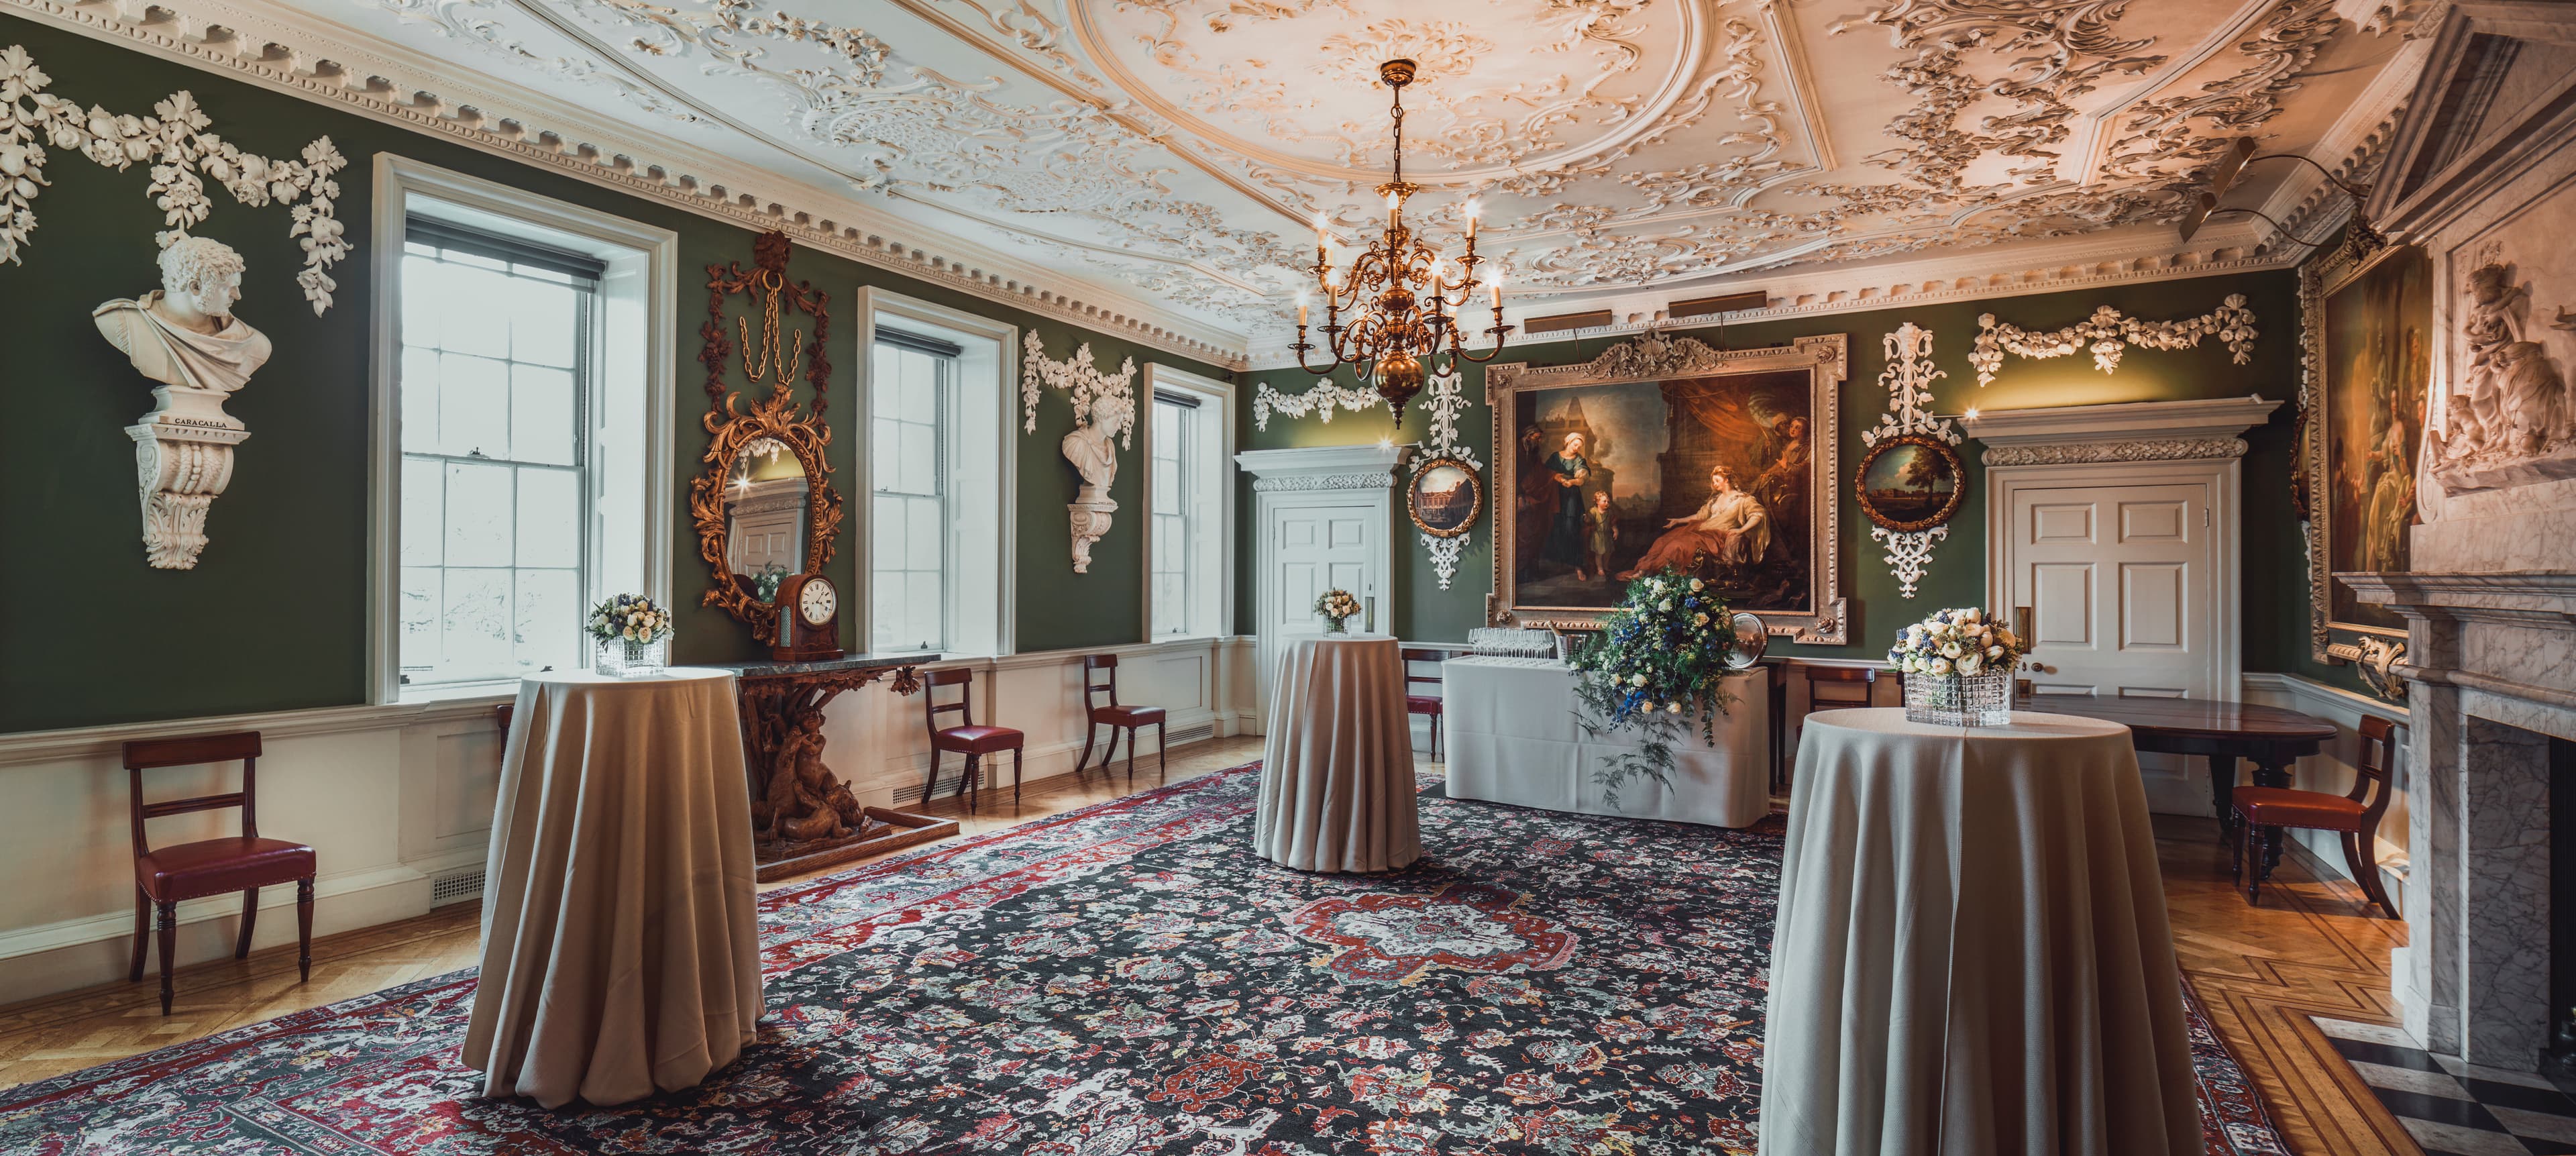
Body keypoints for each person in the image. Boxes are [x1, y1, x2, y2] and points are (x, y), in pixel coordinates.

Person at [93, 235, 272, 398]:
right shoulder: (123, 322)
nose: (237, 296)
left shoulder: (253, 345)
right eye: (226, 288)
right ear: (195, 287)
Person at [1619, 466, 1770, 580]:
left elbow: (1758, 515)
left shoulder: (1743, 499)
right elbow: (1700, 516)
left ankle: (1650, 571)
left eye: (1717, 481)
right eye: (1713, 481)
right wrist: (1678, 521)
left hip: (1718, 537)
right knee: (1663, 540)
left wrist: (1741, 530)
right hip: (1702, 530)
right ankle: (1644, 570)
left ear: (1727, 480)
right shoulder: (1715, 500)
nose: (1714, 484)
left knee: (1678, 545)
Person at [1542, 432, 1592, 569]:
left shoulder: (1578, 459)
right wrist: (1558, 478)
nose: (1577, 448)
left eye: (1579, 447)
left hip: (1571, 495)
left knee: (1571, 524)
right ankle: (1557, 561)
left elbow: (1583, 475)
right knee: (1555, 523)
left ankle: (1574, 563)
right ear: (1568, 442)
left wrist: (1573, 482)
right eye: (1575, 445)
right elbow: (1545, 473)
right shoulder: (1555, 457)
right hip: (1555, 494)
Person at [1581, 490, 1617, 582]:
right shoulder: (1593, 511)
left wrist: (1615, 530)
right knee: (1599, 553)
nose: (1607, 503)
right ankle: (1600, 568)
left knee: (1608, 552)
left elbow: (1612, 523)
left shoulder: (1610, 513)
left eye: (1608, 502)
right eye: (1604, 501)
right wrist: (1586, 518)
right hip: (1597, 536)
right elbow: (1588, 521)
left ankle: (1606, 566)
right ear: (1597, 502)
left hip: (1607, 535)